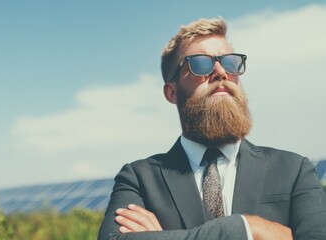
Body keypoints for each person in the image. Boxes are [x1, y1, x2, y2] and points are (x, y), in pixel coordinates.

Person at [98, 18, 326, 240]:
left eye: (230, 62)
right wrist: (249, 230)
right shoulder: (139, 179)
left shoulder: (293, 170)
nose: (221, 72)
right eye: (200, 63)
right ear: (172, 92)